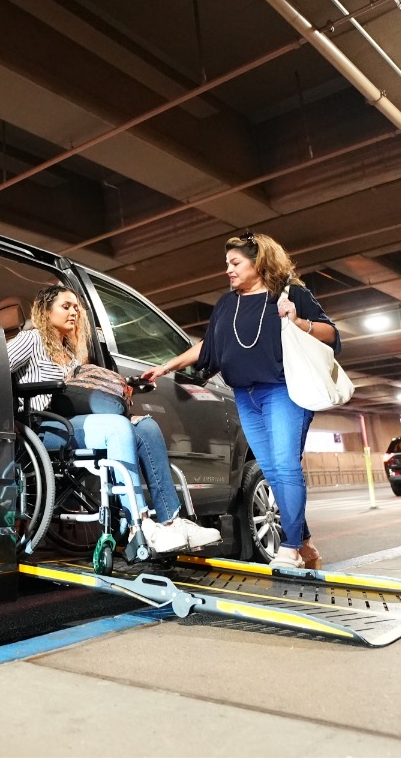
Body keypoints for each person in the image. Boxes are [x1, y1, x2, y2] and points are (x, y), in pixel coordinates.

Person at [143, 232, 340, 569]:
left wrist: (297, 320)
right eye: (227, 265)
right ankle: (305, 544)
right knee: (273, 472)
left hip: (285, 391)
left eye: (235, 263)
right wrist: (165, 366)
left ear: (258, 262)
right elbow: (208, 348)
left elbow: (332, 334)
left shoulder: (290, 295)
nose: (228, 271)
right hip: (245, 397)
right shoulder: (225, 304)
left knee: (286, 466)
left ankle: (290, 547)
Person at [9, 285, 221, 553]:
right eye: (66, 306)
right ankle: (139, 525)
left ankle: (170, 521)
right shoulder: (31, 339)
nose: (74, 311)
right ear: (45, 310)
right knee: (118, 427)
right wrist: (10, 418)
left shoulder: (71, 353)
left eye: (76, 307)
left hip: (73, 421)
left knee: (146, 426)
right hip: (41, 425)